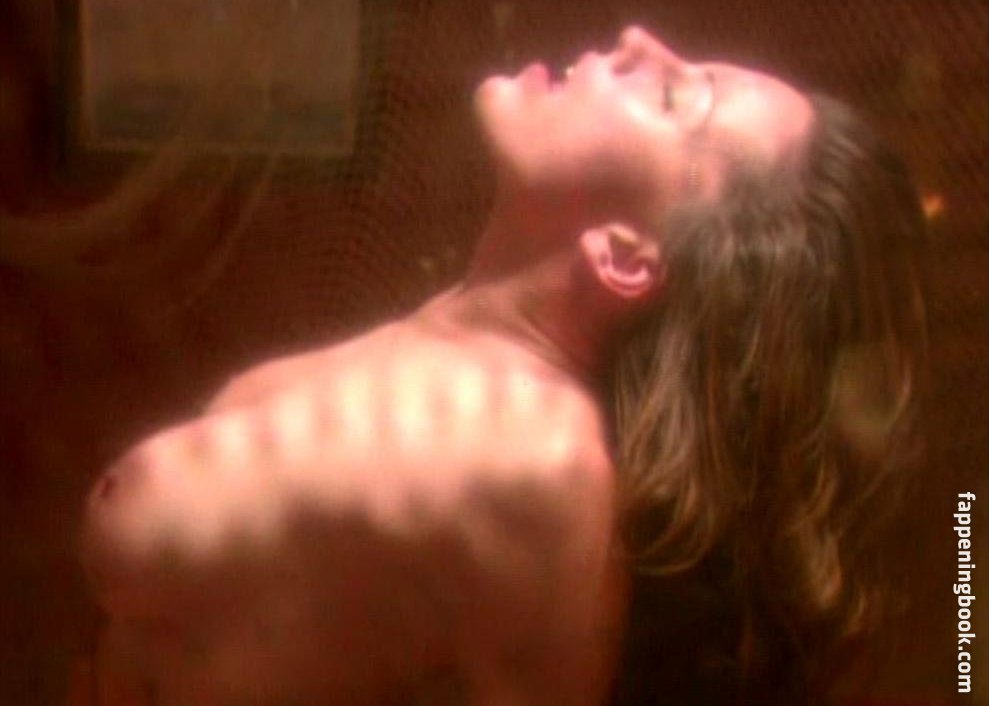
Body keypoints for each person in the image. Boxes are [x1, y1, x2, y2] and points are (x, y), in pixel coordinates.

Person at [80, 25, 926, 705]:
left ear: (624, 256)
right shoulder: (467, 358)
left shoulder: (541, 464)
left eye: (675, 97)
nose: (637, 39)